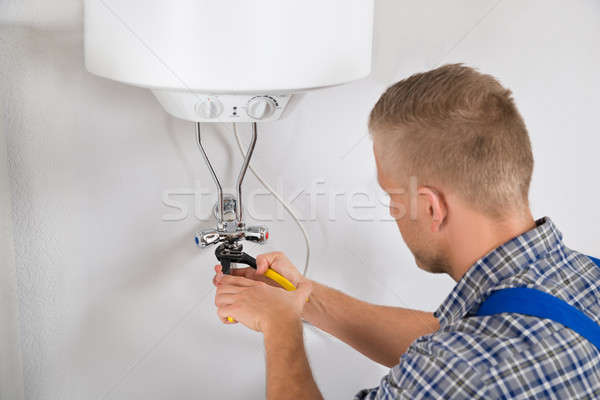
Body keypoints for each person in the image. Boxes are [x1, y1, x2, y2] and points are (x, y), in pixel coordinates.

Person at [211, 64, 600, 399]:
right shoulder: (581, 279)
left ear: (432, 207)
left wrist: (280, 327)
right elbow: (456, 333)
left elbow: (456, 360)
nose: (392, 209)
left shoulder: (455, 372)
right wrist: (304, 300)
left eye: (391, 194)